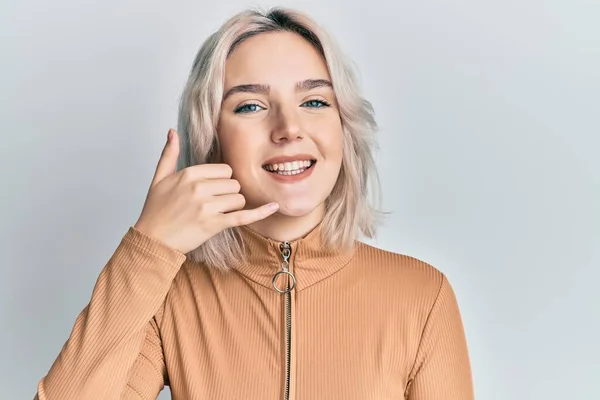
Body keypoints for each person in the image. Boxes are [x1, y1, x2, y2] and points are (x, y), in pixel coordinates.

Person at [34, 7, 473, 400]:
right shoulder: (166, 295)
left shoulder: (422, 295)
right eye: (250, 106)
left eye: (314, 101)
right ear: (212, 138)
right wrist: (148, 246)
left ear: (345, 128)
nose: (289, 128)